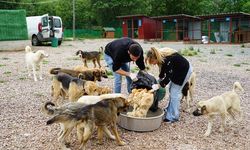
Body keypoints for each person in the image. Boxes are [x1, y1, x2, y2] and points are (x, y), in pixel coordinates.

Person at [147, 47, 193, 123]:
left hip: (184, 71)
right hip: (177, 70)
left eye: (152, 61)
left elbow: (168, 76)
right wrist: (160, 79)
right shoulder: (161, 56)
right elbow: (163, 70)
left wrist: (159, 85)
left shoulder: (167, 59)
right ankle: (169, 109)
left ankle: (173, 117)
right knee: (171, 89)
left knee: (175, 93)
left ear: (156, 57)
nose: (153, 63)